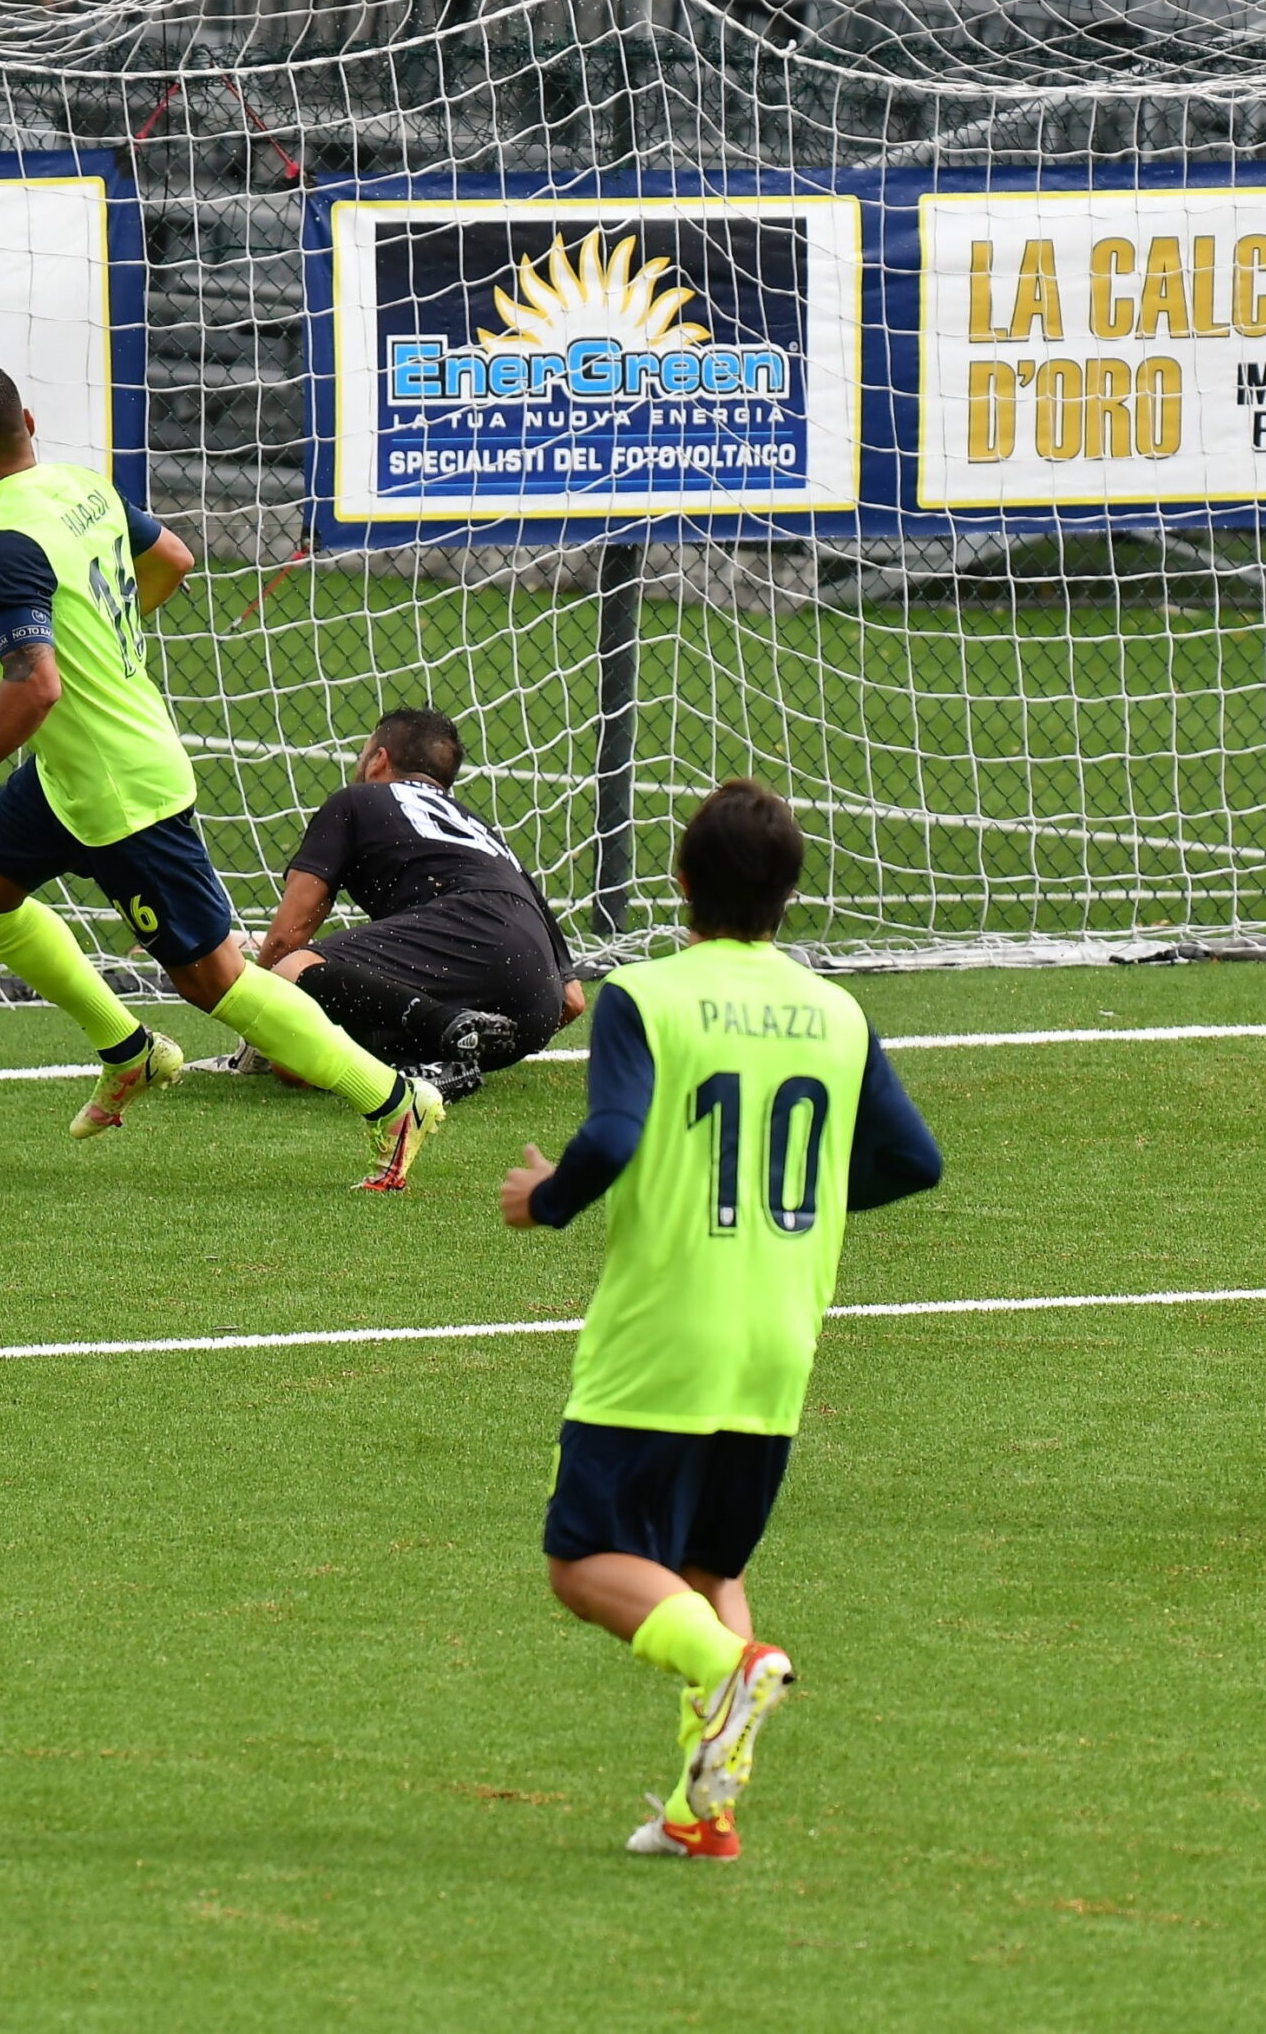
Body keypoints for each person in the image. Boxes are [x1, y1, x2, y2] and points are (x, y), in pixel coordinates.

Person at [498, 780, 942, 1860]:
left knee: (581, 1558)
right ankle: (705, 1808)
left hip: (667, 1330)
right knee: (710, 1567)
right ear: (788, 895)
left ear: (681, 880)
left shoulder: (644, 995)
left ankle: (726, 1669)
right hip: (777, 1339)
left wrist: (544, 1197)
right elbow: (912, 1159)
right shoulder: (836, 1011)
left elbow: (608, 1137)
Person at [0, 362, 444, 1191]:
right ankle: (129, 1052)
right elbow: (176, 559)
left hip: (122, 791)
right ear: (31, 420)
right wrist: (109, 646)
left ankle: (392, 1099)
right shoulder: (82, 486)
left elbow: (36, 684)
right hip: (66, 776)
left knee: (213, 981)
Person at [249, 707, 585, 1100]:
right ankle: (431, 1060)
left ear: (378, 761)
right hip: (533, 1007)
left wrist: (252, 1026)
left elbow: (284, 941)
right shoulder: (484, 835)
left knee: (292, 978)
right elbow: (574, 1001)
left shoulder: (356, 800)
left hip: (468, 932)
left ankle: (438, 1027)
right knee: (294, 1066)